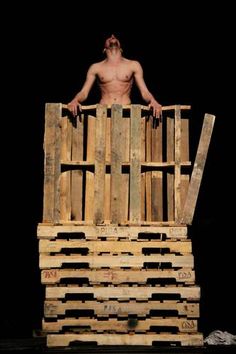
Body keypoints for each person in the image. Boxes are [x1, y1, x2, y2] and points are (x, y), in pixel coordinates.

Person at [67, 34, 162, 118]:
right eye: (109, 36)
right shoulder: (96, 67)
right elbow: (84, 92)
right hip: (104, 113)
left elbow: (144, 92)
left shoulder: (133, 65)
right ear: (104, 48)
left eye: (115, 36)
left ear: (121, 47)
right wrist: (75, 100)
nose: (112, 36)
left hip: (126, 112)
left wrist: (153, 101)